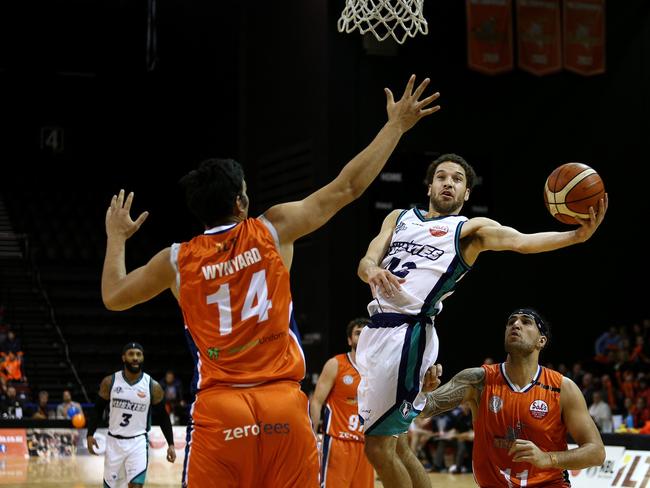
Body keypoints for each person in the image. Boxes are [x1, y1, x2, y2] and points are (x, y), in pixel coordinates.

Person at [99, 74, 440, 488]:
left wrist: (116, 238)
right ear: (241, 202)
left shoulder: (175, 260)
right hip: (282, 405)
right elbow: (347, 186)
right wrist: (395, 126)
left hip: (220, 409)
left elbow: (114, 295)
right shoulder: (272, 229)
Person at [355, 153, 607, 488]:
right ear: (429, 186)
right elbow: (367, 260)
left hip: (407, 331)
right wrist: (371, 268)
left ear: (467, 194)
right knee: (397, 442)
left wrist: (575, 237)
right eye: (442, 177)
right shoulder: (399, 218)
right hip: (376, 330)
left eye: (458, 180)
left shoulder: (468, 230)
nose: (449, 183)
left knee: (378, 447)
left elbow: (519, 242)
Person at [419, 308, 606, 487]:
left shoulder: (562, 388)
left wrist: (547, 458)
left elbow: (596, 452)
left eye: (526, 322)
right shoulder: (478, 380)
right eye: (511, 322)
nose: (516, 324)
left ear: (541, 341)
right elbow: (425, 408)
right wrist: (423, 391)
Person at [86, 343, 176, 488]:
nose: (135, 358)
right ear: (123, 358)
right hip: (114, 442)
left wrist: (171, 444)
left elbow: (163, 417)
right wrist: (90, 434)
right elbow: (97, 410)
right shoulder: (110, 382)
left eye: (138, 354)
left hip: (138, 443)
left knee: (136, 485)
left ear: (143, 358)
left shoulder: (152, 386)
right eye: (131, 354)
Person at [309, 317, 374, 488]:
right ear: (349, 340)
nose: (362, 336)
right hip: (339, 442)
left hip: (367, 444)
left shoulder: (378, 369)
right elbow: (316, 401)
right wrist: (312, 434)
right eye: (357, 333)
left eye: (366, 333)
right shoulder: (336, 364)